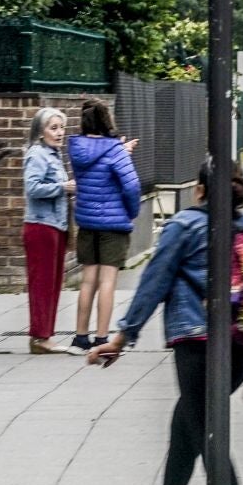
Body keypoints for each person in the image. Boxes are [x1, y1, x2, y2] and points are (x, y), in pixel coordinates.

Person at [87, 163, 243, 485]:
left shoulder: (184, 226)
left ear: (200, 191)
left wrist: (121, 337)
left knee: (204, 427)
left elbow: (154, 281)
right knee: (186, 425)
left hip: (198, 340)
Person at [69, 100, 141, 351]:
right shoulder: (115, 150)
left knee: (88, 280)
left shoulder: (76, 147)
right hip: (113, 223)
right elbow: (131, 185)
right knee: (108, 281)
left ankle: (80, 336)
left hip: (87, 221)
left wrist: (120, 149)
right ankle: (101, 337)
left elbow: (94, 163)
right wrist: (131, 212)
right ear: (106, 119)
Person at [22, 108, 75, 354]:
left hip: (56, 225)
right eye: (53, 128)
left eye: (61, 127)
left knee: (53, 283)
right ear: (40, 132)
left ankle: (46, 335)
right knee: (42, 283)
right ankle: (39, 337)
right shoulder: (37, 154)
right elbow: (32, 188)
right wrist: (63, 186)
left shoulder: (54, 155)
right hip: (41, 226)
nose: (59, 133)